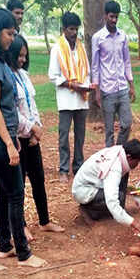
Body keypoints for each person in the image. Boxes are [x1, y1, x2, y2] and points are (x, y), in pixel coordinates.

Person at [0, 8, 46, 267]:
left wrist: (13, 137)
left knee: (5, 192)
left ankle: (5, 246)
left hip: (1, 136)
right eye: (9, 33)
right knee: (16, 193)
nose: (12, 37)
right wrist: (9, 143)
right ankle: (24, 254)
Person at [8, 35, 65, 241]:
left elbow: (32, 106)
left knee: (38, 179)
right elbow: (12, 111)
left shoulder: (23, 75)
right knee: (18, 185)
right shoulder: (7, 77)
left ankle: (44, 220)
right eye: (19, 56)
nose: (23, 59)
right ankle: (20, 225)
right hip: (17, 138)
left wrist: (37, 129)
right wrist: (31, 128)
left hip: (32, 137)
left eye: (25, 56)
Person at [48, 12, 93, 183]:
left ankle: (78, 166)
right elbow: (53, 75)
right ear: (63, 29)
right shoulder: (57, 48)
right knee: (64, 135)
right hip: (66, 99)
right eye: (71, 29)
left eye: (76, 29)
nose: (74, 33)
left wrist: (85, 86)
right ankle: (64, 169)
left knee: (80, 135)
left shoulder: (81, 48)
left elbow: (86, 72)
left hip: (81, 99)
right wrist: (71, 85)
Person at [72, 139, 140, 236]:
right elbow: (112, 201)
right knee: (118, 198)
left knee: (121, 192)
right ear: (129, 157)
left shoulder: (119, 151)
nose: (137, 165)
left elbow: (112, 182)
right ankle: (88, 211)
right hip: (83, 191)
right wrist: (134, 223)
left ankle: (116, 214)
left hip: (91, 183)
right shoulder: (115, 168)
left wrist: (131, 191)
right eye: (137, 161)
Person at [92, 0, 135, 147]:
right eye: (111, 16)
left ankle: (118, 150)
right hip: (107, 90)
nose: (114, 20)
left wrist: (132, 84)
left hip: (122, 87)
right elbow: (95, 66)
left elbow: (127, 61)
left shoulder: (122, 36)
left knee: (127, 124)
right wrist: (97, 91)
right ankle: (109, 159)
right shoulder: (98, 38)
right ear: (105, 16)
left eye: (116, 17)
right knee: (109, 130)